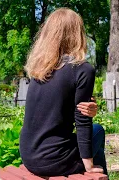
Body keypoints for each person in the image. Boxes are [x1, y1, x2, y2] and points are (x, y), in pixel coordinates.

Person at [19, 8, 107, 177]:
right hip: (53, 159)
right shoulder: (82, 69)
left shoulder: (40, 69)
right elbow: (82, 120)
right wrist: (87, 164)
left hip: (29, 156)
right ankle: (96, 175)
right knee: (98, 131)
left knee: (97, 152)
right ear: (77, 34)